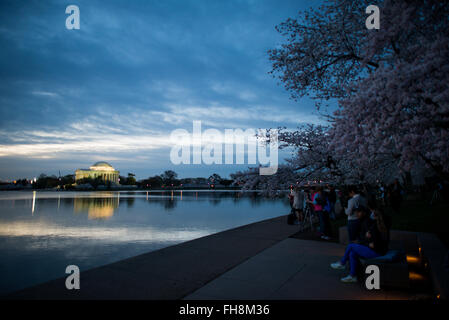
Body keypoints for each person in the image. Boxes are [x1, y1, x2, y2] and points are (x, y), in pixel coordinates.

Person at [330, 205, 389, 283]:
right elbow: (373, 241)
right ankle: (352, 276)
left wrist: (368, 239)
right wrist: (368, 239)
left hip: (376, 252)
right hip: (377, 250)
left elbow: (374, 244)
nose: (370, 214)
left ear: (375, 216)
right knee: (352, 253)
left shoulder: (375, 227)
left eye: (372, 213)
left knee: (351, 246)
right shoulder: (378, 225)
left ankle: (342, 263)